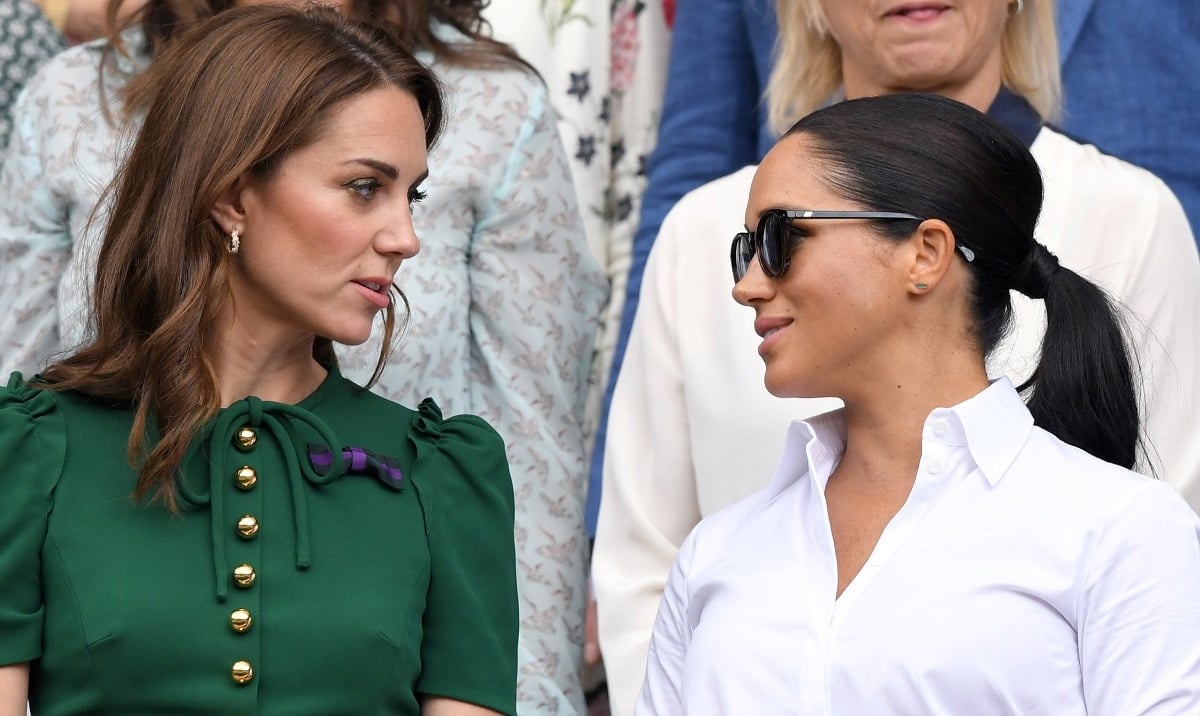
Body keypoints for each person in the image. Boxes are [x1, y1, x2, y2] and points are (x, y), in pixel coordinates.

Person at [593, 0, 1200, 712]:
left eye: (784, 239)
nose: (749, 286)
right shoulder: (697, 231)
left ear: (932, 253)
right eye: (751, 245)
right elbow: (645, 565)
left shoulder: (1130, 215)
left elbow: (1165, 541)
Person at [0, 0, 605, 711]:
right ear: (231, 195)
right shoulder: (33, 452)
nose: (407, 236)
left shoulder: (446, 477)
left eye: (412, 195)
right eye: (363, 188)